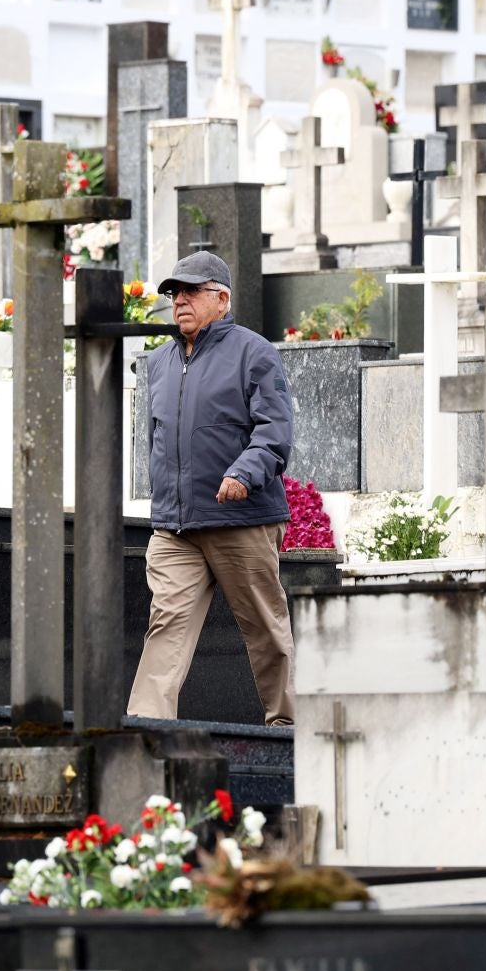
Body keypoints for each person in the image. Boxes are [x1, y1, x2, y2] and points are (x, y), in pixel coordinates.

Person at [128, 251, 296, 726]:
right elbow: (155, 439)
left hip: (241, 520)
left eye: (191, 291)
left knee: (264, 627)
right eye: (174, 293)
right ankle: (146, 730)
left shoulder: (253, 351)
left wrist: (244, 473)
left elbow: (275, 431)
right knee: (165, 626)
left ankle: (287, 728)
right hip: (176, 528)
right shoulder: (158, 363)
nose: (179, 300)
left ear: (221, 299)